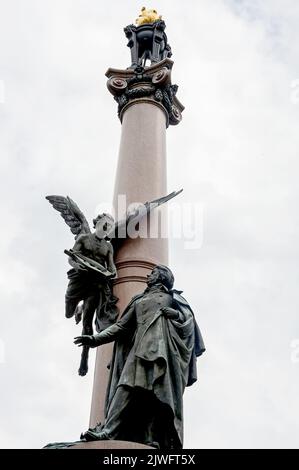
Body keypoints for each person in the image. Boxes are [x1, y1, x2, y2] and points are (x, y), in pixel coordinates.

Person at [74, 265, 205, 448]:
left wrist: (174, 314)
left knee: (156, 395)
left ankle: (152, 437)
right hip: (139, 350)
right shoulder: (139, 300)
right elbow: (121, 327)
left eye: (153, 273)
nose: (148, 275)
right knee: (124, 387)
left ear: (162, 277)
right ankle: (109, 430)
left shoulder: (173, 298)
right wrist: (96, 339)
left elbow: (188, 323)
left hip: (163, 352)